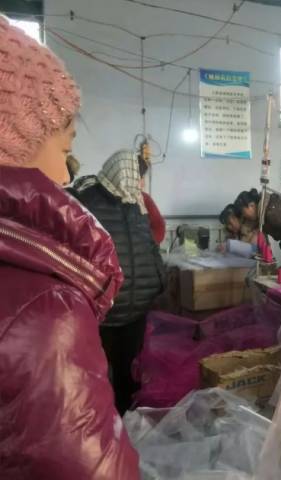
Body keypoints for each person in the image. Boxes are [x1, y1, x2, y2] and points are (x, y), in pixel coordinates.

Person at [0, 17, 139, 478]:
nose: (64, 176)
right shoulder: (45, 309)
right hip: (118, 313)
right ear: (13, 142)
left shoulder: (138, 207)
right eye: (63, 150)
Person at [72, 149, 165, 414]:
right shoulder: (86, 198)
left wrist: (157, 277)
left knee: (130, 371)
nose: (136, 182)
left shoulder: (138, 201)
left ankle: (127, 420)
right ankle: (102, 420)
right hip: (101, 308)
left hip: (135, 307)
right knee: (96, 373)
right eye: (133, 175)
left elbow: (152, 238)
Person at [235, 188, 281, 266]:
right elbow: (247, 227)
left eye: (243, 212)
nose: (244, 216)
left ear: (251, 205)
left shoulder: (272, 214)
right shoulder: (261, 213)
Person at [138, 157, 166, 245]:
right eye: (141, 178)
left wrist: (145, 243)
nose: (143, 184)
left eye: (143, 178)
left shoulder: (144, 198)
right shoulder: (108, 200)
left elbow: (159, 227)